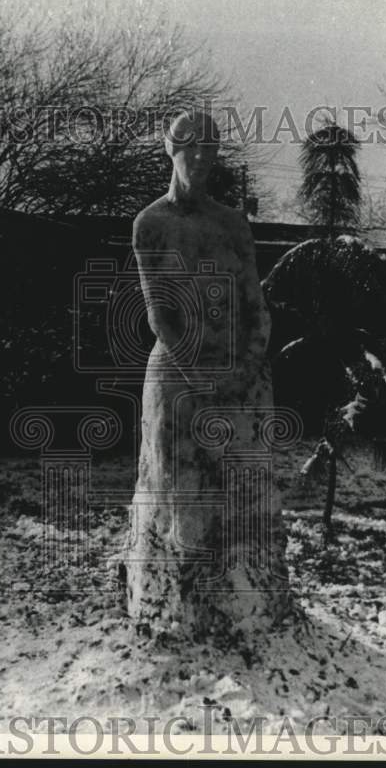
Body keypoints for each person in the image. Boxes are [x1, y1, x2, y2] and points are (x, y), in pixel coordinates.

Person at [124, 109, 292, 638]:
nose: (200, 157)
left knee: (246, 499)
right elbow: (160, 314)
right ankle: (176, 611)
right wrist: (201, 378)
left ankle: (249, 610)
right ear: (169, 151)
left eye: (210, 148)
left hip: (240, 376)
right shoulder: (150, 224)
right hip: (179, 375)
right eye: (189, 147)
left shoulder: (232, 223)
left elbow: (255, 304)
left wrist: (247, 366)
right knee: (181, 499)